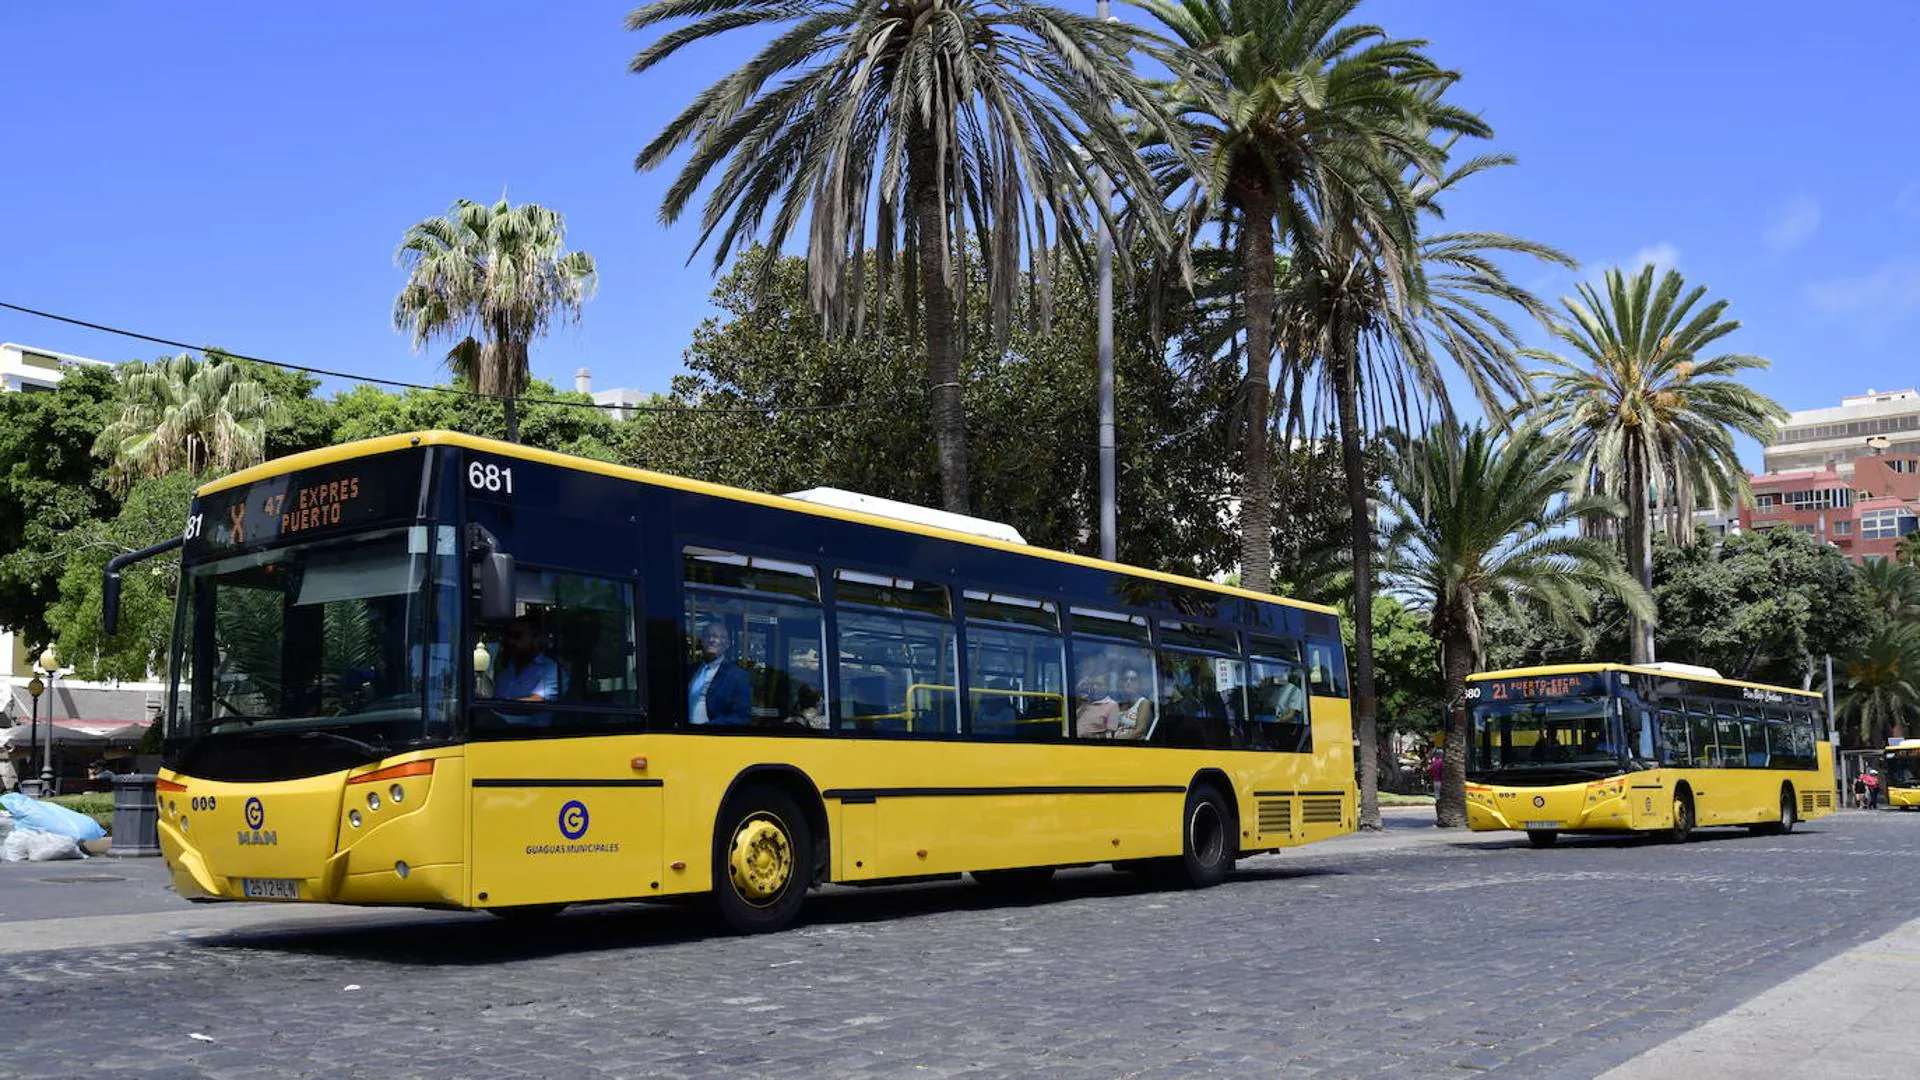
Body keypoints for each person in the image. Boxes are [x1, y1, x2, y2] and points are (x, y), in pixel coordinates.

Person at [688, 617, 753, 726]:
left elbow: (742, 717)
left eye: (716, 637)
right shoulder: (690, 670)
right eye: (707, 636)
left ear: (726, 644)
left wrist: (709, 727)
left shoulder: (737, 676)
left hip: (715, 738)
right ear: (702, 641)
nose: (711, 640)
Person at [491, 616, 560, 703]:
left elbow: (535, 702)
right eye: (508, 636)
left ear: (536, 638)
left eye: (517, 635)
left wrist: (495, 708)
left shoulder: (551, 669)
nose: (510, 641)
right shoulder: (507, 666)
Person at [1073, 656, 1120, 738]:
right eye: (1093, 684)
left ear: (1107, 687)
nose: (1095, 687)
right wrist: (1078, 690)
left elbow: (1111, 734)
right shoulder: (1085, 700)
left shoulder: (1112, 705)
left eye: (1099, 685)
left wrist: (1092, 737)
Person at [1113, 668, 1155, 740]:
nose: (1128, 682)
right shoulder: (1118, 704)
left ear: (1139, 684)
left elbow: (1140, 731)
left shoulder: (1143, 703)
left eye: (1133, 680)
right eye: (1125, 679)